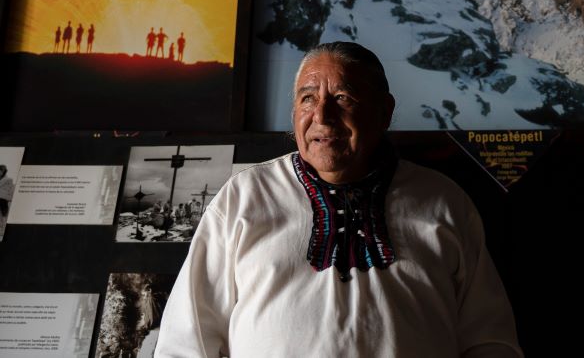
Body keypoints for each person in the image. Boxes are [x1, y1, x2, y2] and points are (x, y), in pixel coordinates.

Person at [157, 41, 521, 356]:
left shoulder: (443, 202)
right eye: (308, 99)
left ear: (384, 111)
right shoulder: (245, 197)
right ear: (294, 113)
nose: (322, 116)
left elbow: (490, 342)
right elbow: (186, 342)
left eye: (343, 98)